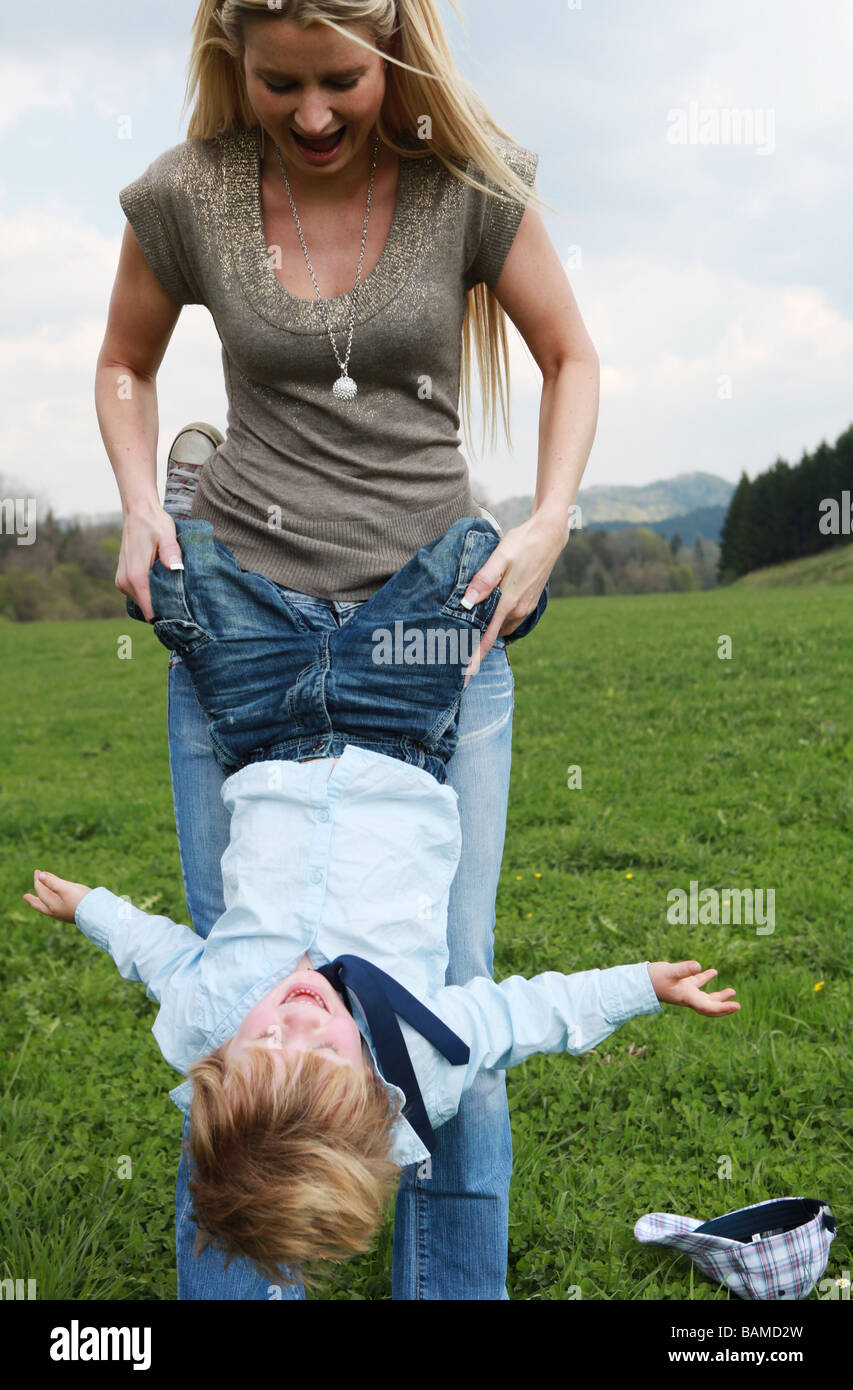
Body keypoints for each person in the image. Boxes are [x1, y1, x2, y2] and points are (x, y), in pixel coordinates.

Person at [94, 0, 600, 1300]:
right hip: (245, 637)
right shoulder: (187, 195)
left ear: (391, 55)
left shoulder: (466, 188)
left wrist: (549, 521)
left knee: (454, 995)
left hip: (438, 631)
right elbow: (124, 363)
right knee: (240, 985)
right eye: (279, 87)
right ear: (232, 61)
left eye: (339, 83)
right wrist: (144, 503)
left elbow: (569, 353)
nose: (312, 114)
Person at [23, 515, 740, 1289]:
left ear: (225, 1064)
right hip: (398, 727)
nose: (297, 1018)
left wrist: (90, 908)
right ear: (374, 1094)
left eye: (266, 1044)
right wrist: (644, 985)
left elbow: (160, 956)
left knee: (177, 572)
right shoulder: (418, 1054)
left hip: (267, 726)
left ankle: (196, 506)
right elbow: (524, 1016)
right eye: (324, 1051)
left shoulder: (209, 1017)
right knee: (472, 555)